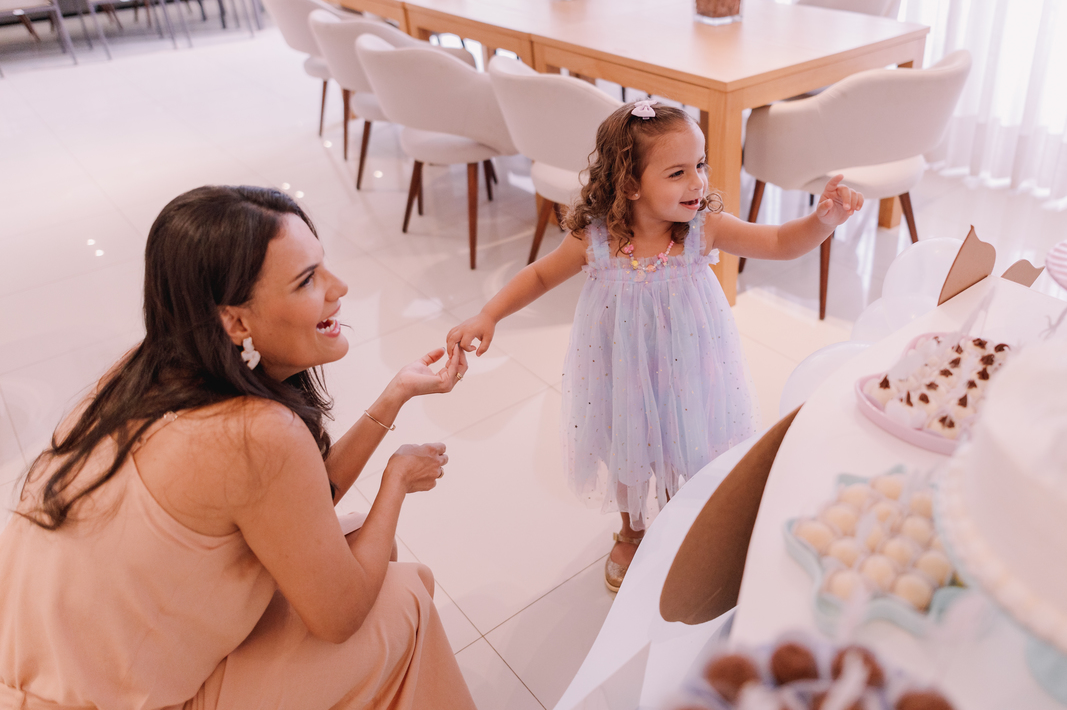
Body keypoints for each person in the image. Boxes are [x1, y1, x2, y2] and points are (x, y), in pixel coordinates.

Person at [0, 186, 477, 710]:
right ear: (236, 321)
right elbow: (339, 617)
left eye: (324, 265)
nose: (339, 287)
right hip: (104, 699)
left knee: (360, 541)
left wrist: (395, 395)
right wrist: (398, 480)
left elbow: (296, 499)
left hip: (53, 668)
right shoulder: (255, 434)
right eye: (307, 280)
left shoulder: (147, 370)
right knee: (405, 594)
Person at [446, 100, 864, 591]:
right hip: (621, 366)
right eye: (677, 172)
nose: (698, 182)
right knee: (630, 440)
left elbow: (775, 242)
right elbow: (539, 275)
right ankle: (632, 527)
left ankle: (690, 513)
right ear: (629, 183)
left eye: (701, 165)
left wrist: (823, 222)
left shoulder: (702, 229)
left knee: (688, 436)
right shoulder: (594, 238)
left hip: (691, 364)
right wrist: (489, 313)